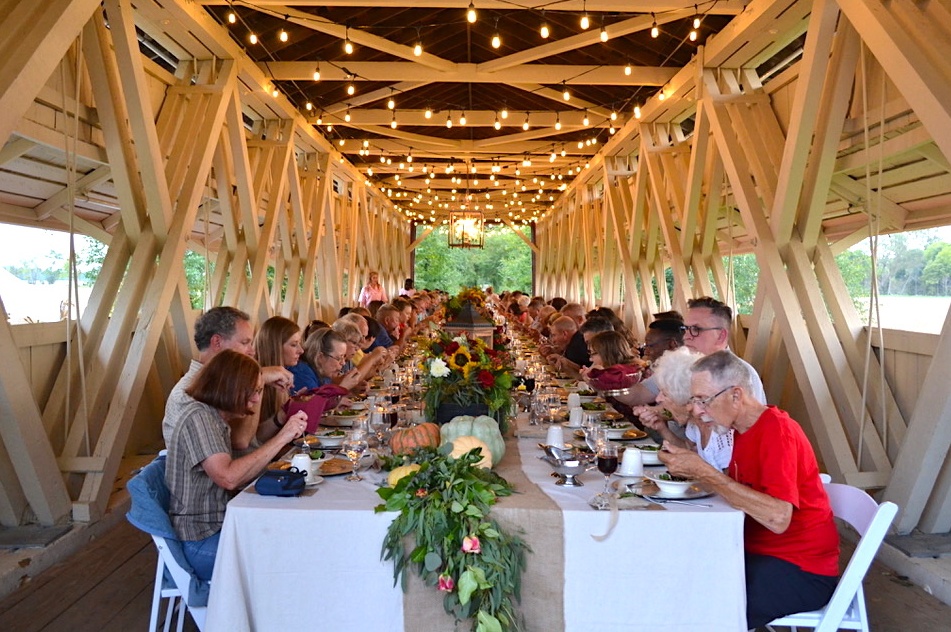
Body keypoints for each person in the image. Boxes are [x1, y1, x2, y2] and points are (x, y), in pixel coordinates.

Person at [659, 350, 839, 629]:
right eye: (694, 401)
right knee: (672, 574)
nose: (696, 410)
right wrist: (694, 469)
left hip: (800, 569)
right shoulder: (739, 430)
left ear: (736, 395)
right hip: (755, 552)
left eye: (703, 400)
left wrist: (704, 472)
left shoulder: (777, 431)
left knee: (697, 603)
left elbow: (778, 518)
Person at [166, 350, 308, 581]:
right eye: (251, 391)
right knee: (288, 558)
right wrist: (283, 437)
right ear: (229, 386)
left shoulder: (215, 417)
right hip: (200, 540)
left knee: (295, 536)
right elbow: (229, 477)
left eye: (258, 391)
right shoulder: (198, 418)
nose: (254, 399)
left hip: (223, 526)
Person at [161, 306, 293, 449]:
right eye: (244, 343)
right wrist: (258, 378)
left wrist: (281, 416)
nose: (252, 352)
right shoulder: (190, 392)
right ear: (217, 342)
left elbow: (252, 441)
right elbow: (240, 442)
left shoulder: (223, 380)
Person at [615, 296, 766, 406]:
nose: (686, 336)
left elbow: (751, 435)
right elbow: (638, 394)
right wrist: (602, 384)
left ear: (721, 336)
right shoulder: (680, 362)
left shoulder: (743, 375)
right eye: (685, 329)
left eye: (696, 329)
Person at [634, 347, 733, 470]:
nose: (658, 399)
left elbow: (730, 483)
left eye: (664, 394)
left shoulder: (721, 432)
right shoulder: (695, 422)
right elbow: (687, 449)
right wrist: (662, 428)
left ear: (685, 398)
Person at [291, 328, 361, 433]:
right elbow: (310, 418)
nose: (343, 363)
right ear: (320, 357)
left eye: (344, 358)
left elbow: (326, 403)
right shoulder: (302, 375)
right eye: (339, 358)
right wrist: (342, 388)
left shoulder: (322, 373)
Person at [255, 317, 304, 428]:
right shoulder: (255, 383)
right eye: (294, 344)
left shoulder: (283, 377)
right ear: (274, 347)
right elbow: (252, 443)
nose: (301, 350)